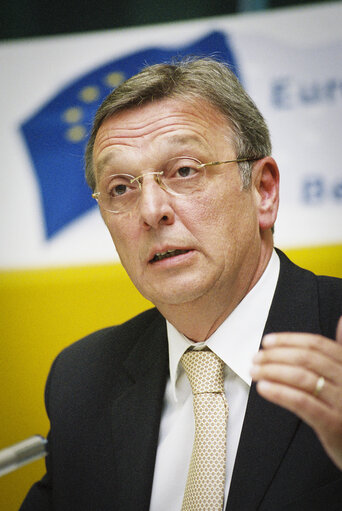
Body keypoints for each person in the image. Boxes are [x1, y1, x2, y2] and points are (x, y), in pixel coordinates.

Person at [20, 58, 342, 511]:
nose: (151, 210)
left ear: (263, 191)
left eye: (184, 171)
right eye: (120, 188)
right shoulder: (84, 382)